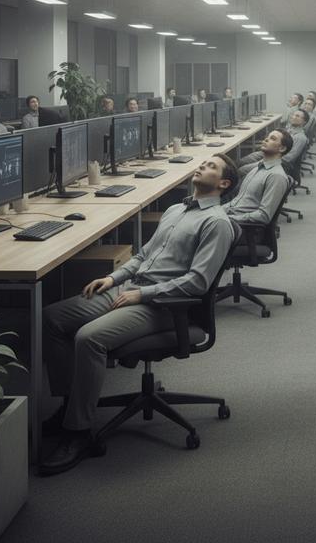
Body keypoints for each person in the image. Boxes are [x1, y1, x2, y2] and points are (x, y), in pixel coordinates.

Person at [40, 154, 239, 476]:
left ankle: (77, 432)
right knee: (53, 318)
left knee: (89, 338)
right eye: (204, 163)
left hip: (164, 305)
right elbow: (144, 256)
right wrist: (114, 279)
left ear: (223, 184)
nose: (202, 166)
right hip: (131, 289)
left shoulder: (216, 223)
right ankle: (69, 407)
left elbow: (198, 283)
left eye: (211, 167)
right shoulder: (177, 210)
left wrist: (142, 294)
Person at [224, 130, 292, 225]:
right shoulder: (256, 169)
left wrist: (228, 219)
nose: (266, 139)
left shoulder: (276, 176)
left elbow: (264, 216)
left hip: (241, 225)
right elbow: (236, 202)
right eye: (267, 136)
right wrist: (217, 211)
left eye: (272, 138)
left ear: (282, 148)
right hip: (231, 215)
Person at [238, 109, 309, 175]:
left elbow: (288, 159)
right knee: (242, 161)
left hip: (276, 162)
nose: (293, 117)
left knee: (241, 170)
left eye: (297, 116)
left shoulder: (300, 137)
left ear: (304, 122)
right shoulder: (290, 130)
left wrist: (266, 160)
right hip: (271, 155)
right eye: (293, 115)